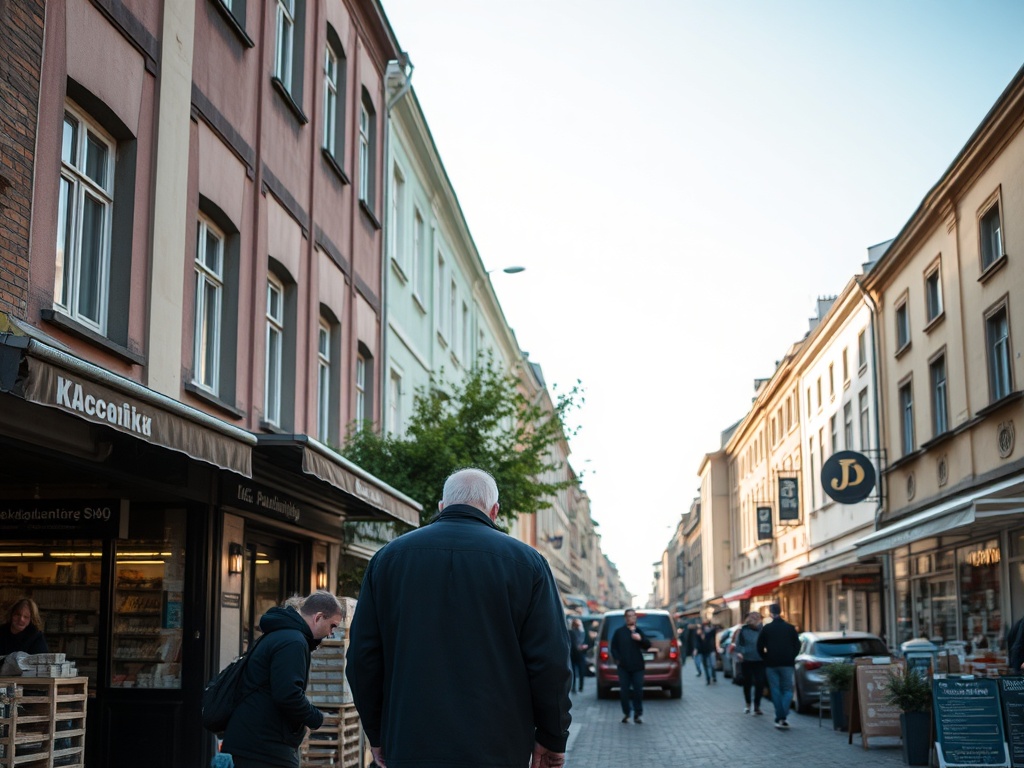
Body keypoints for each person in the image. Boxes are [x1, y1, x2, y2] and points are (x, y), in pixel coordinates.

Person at [346, 468, 572, 768]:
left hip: (410, 742)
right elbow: (551, 662)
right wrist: (552, 737)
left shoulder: (388, 559)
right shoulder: (527, 564)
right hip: (497, 747)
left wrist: (377, 733)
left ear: (442, 506)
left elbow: (363, 660)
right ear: (495, 511)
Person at [221, 591, 343, 768]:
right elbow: (288, 694)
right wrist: (315, 717)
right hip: (263, 744)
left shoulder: (283, 634)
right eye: (333, 626)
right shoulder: (293, 641)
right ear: (318, 617)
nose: (331, 634)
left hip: (255, 739)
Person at [756, 603, 801, 729]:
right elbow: (797, 645)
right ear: (781, 612)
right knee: (787, 690)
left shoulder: (767, 629)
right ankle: (783, 715)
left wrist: (765, 657)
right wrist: (792, 656)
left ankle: (780, 715)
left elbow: (759, 646)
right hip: (787, 663)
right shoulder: (790, 628)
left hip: (771, 663)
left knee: (775, 690)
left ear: (770, 613)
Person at [610, 608, 651, 724]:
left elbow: (647, 645)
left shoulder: (638, 631)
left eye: (633, 615)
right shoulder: (619, 632)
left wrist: (640, 639)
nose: (630, 618)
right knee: (624, 691)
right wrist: (618, 659)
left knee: (638, 690)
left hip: (638, 667)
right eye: (628, 616)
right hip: (624, 667)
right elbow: (613, 648)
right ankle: (627, 713)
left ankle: (638, 714)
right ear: (625, 618)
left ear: (635, 618)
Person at [732, 611, 766, 715]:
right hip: (747, 660)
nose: (755, 619)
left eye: (757, 617)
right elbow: (738, 644)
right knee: (747, 683)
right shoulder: (743, 630)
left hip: (760, 660)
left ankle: (757, 706)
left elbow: (767, 642)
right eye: (753, 617)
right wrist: (742, 652)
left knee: (760, 683)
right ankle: (748, 704)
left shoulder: (763, 630)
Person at [695, 618, 718, 684]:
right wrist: (696, 649)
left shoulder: (709, 633)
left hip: (710, 650)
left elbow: (714, 630)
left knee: (712, 665)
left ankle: (713, 676)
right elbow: (697, 643)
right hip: (703, 651)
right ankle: (708, 679)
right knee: (705, 666)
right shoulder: (698, 636)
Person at [569, 618, 587, 693]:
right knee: (578, 672)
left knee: (576, 672)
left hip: (576, 654)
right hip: (576, 654)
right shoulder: (579, 632)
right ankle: (578, 687)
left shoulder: (581, 632)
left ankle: (576, 687)